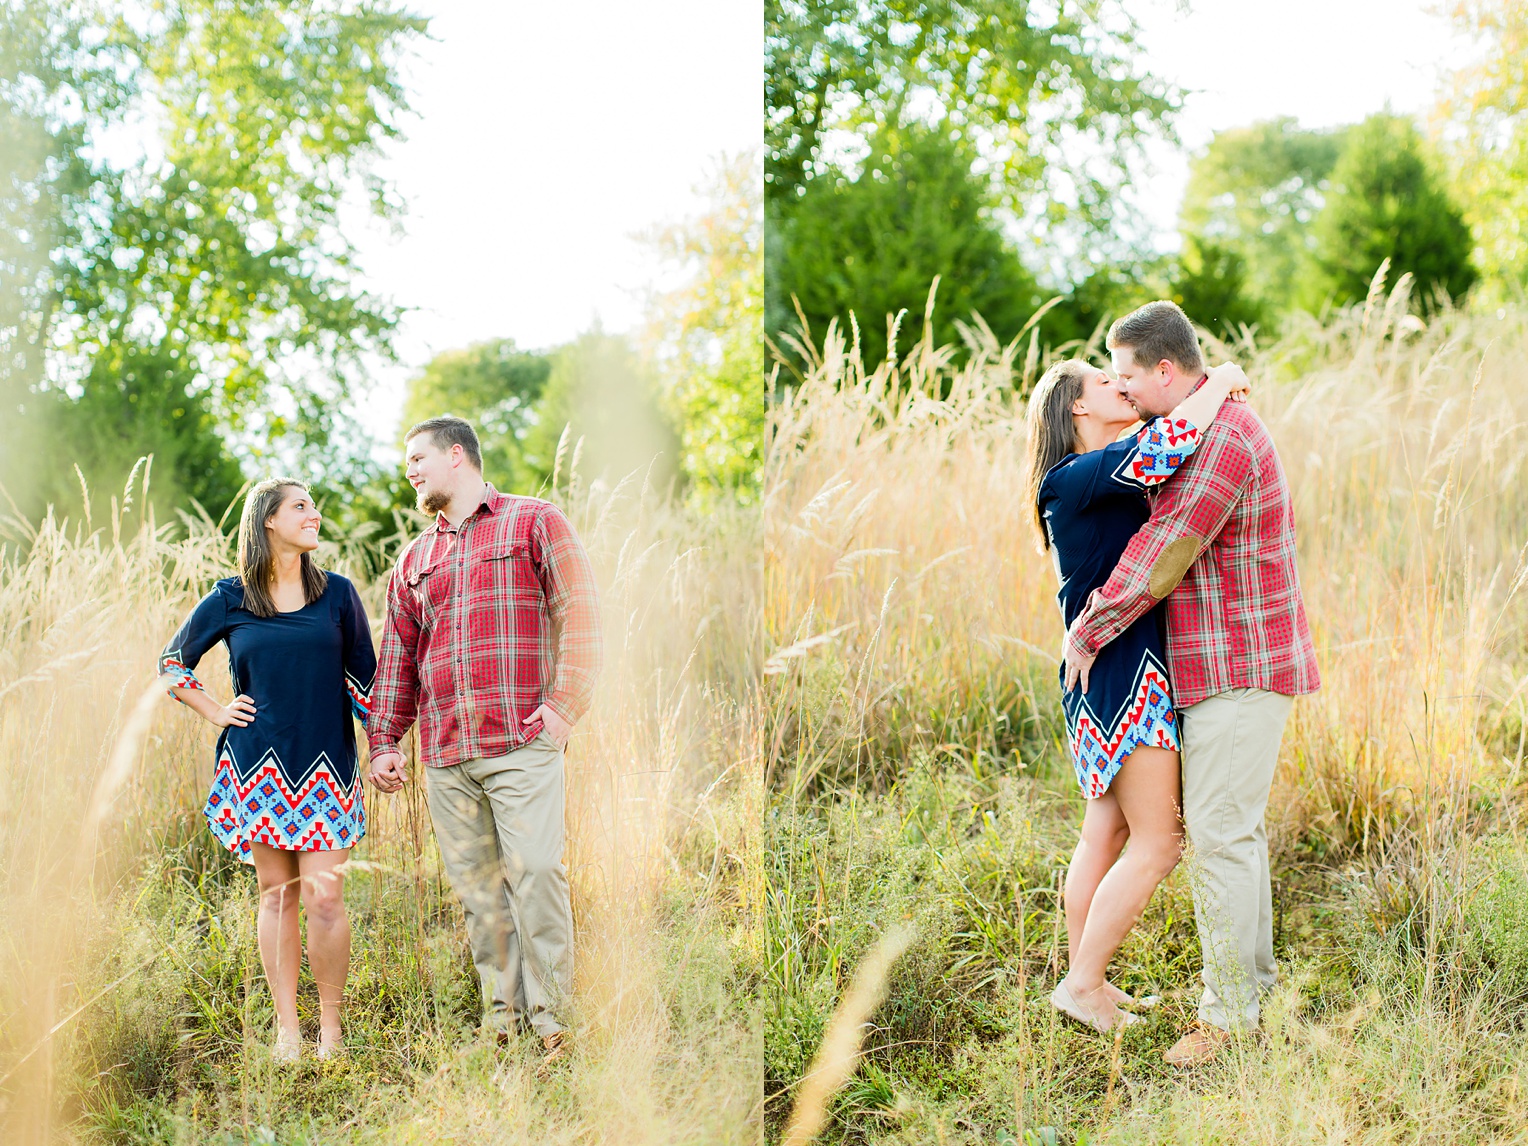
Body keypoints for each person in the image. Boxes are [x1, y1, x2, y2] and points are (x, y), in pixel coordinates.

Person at [1064, 300, 1320, 1066]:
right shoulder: (1195, 426)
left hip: (1240, 665)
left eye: (1131, 379)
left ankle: (1231, 1019)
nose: (1125, 391)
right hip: (1214, 668)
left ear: (1166, 372)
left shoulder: (1226, 439)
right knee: (1228, 836)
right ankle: (1252, 992)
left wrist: (1092, 625)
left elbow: (1170, 544)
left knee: (1219, 839)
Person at [366, 415, 602, 1070]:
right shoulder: (414, 560)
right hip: (445, 756)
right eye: (406, 460)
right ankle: (501, 1022)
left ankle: (553, 1021)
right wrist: (385, 740)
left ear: (457, 455)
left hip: (521, 742)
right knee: (478, 894)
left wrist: (562, 710)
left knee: (537, 874)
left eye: (418, 458)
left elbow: (580, 612)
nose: (409, 470)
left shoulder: (533, 522)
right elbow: (398, 663)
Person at [1024, 355, 1249, 1036]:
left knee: (1107, 831)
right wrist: (1221, 378)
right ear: (1077, 410)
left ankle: (1081, 980)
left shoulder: (1092, 477)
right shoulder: (1079, 476)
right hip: (1120, 675)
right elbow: (1170, 442)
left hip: (1102, 673)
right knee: (1160, 838)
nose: (1118, 384)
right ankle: (1083, 983)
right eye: (1102, 380)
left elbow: (1162, 443)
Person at [158, 478, 375, 1061]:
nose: (315, 513)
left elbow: (367, 681)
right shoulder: (229, 597)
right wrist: (215, 710)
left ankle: (329, 1029)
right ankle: (288, 1030)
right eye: (301, 506)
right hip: (255, 768)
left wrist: (384, 746)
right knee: (275, 895)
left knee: (326, 899)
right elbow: (172, 663)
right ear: (268, 522)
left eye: (314, 503)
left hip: (328, 767)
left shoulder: (339, 595)